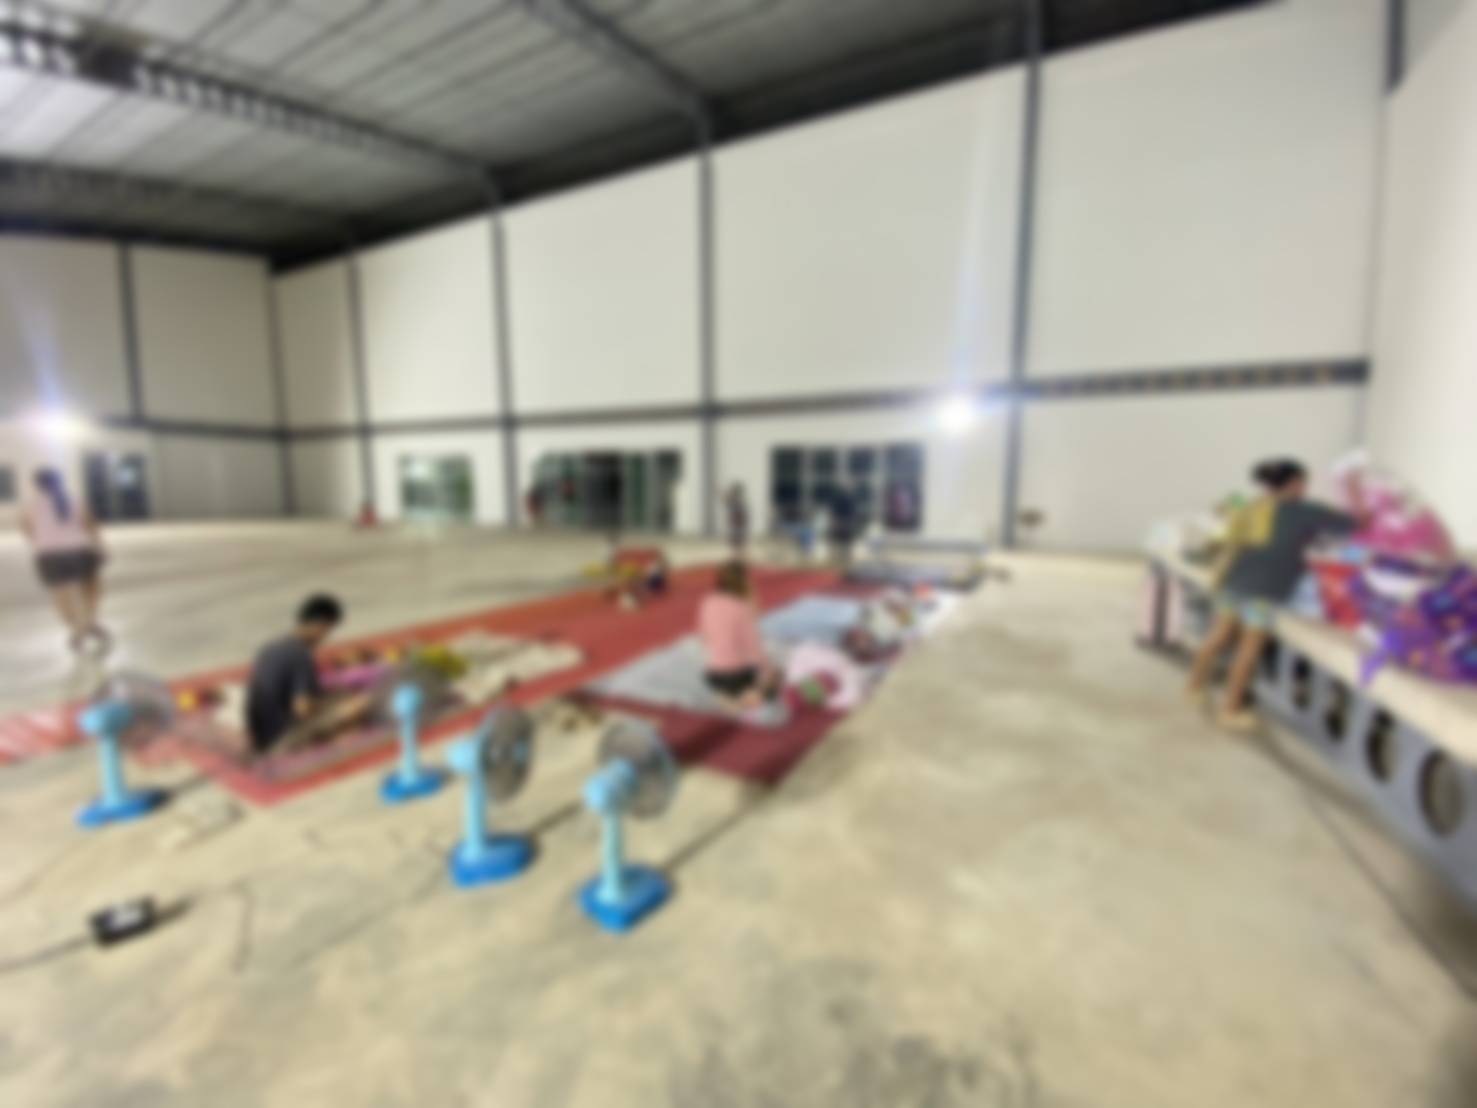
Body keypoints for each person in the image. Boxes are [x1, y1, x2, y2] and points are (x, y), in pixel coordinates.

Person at [1187, 458, 1363, 733]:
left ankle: (1194, 688)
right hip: (1263, 592)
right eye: (1303, 483)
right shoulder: (1304, 510)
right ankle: (1229, 710)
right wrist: (1354, 490)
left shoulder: (1252, 506)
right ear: (1293, 484)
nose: (1305, 488)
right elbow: (1354, 524)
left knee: (1218, 637)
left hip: (1233, 582)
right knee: (1248, 649)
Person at [245, 593, 372, 755]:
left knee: (340, 694)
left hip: (261, 735)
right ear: (321, 625)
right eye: (328, 630)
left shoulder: (271, 647)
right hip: (281, 740)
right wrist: (336, 708)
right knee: (357, 704)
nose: (326, 637)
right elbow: (303, 709)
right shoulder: (300, 655)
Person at [20, 467, 108, 654]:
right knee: (92, 588)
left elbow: (27, 530)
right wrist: (100, 546)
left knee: (61, 594)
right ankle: (90, 621)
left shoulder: (30, 505)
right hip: (80, 550)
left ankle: (76, 629)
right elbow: (90, 525)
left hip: (49, 555)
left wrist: (43, 542)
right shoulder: (75, 499)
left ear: (37, 485)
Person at [698, 560, 779, 711]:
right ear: (745, 581)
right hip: (739, 676)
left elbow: (705, 638)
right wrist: (768, 673)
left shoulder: (708, 602)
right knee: (776, 677)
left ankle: (729, 696)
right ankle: (747, 699)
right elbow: (754, 650)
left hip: (713, 676)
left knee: (732, 676)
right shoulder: (742, 607)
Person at [723, 483, 750, 555]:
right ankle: (737, 554)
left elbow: (742, 515)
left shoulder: (738, 502)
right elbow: (726, 499)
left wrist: (740, 522)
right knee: (735, 541)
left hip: (738, 524)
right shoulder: (734, 501)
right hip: (736, 524)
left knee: (738, 541)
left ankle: (739, 554)